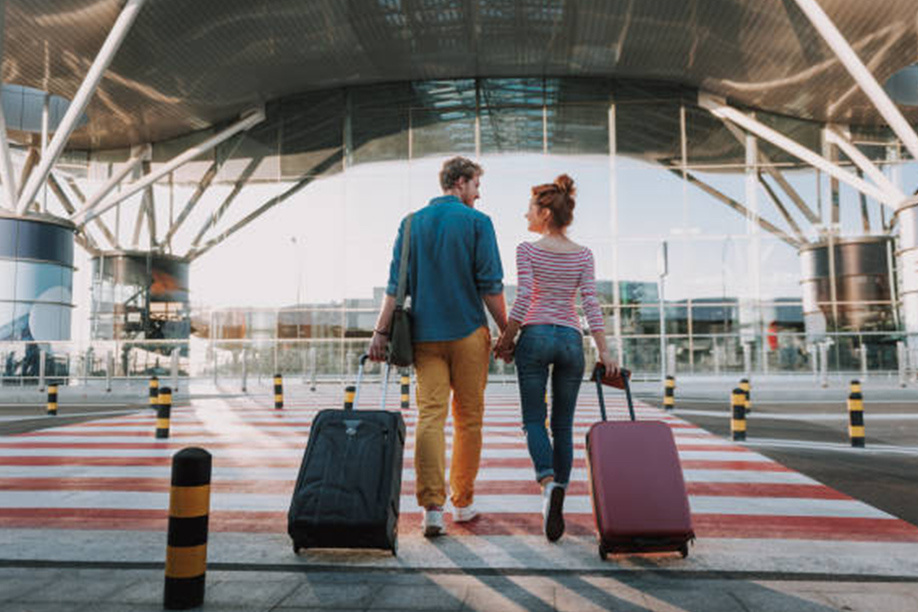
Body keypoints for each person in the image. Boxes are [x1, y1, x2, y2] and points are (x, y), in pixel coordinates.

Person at [368, 156, 509, 537]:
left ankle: (432, 508)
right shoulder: (479, 223)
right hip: (468, 336)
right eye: (476, 186)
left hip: (424, 338)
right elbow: (491, 285)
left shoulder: (411, 223)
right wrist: (508, 332)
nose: (478, 195)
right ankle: (462, 503)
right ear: (461, 182)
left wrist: (380, 333)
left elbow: (396, 287)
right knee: (469, 420)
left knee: (430, 417)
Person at [494, 174, 617, 542]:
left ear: (545, 213)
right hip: (569, 339)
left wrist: (506, 338)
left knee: (534, 420)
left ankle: (548, 484)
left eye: (530, 208)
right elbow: (590, 304)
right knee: (563, 425)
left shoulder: (527, 249)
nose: (525, 215)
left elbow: (525, 296)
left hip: (534, 336)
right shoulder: (583, 254)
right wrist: (604, 350)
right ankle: (558, 491)